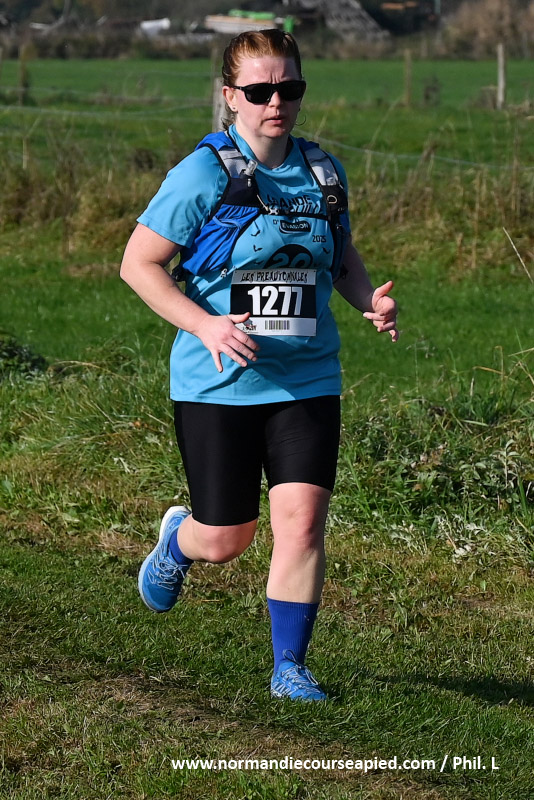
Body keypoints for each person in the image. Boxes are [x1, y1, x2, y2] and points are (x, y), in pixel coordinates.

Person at [120, 29, 398, 702]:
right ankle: (178, 542)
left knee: (302, 522)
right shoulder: (205, 174)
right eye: (260, 91)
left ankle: (289, 668)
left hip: (307, 378)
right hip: (218, 383)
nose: (277, 102)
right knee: (226, 538)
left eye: (289, 88)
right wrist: (206, 323)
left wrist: (369, 301)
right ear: (230, 96)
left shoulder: (324, 172)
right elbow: (139, 264)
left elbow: (339, 256)